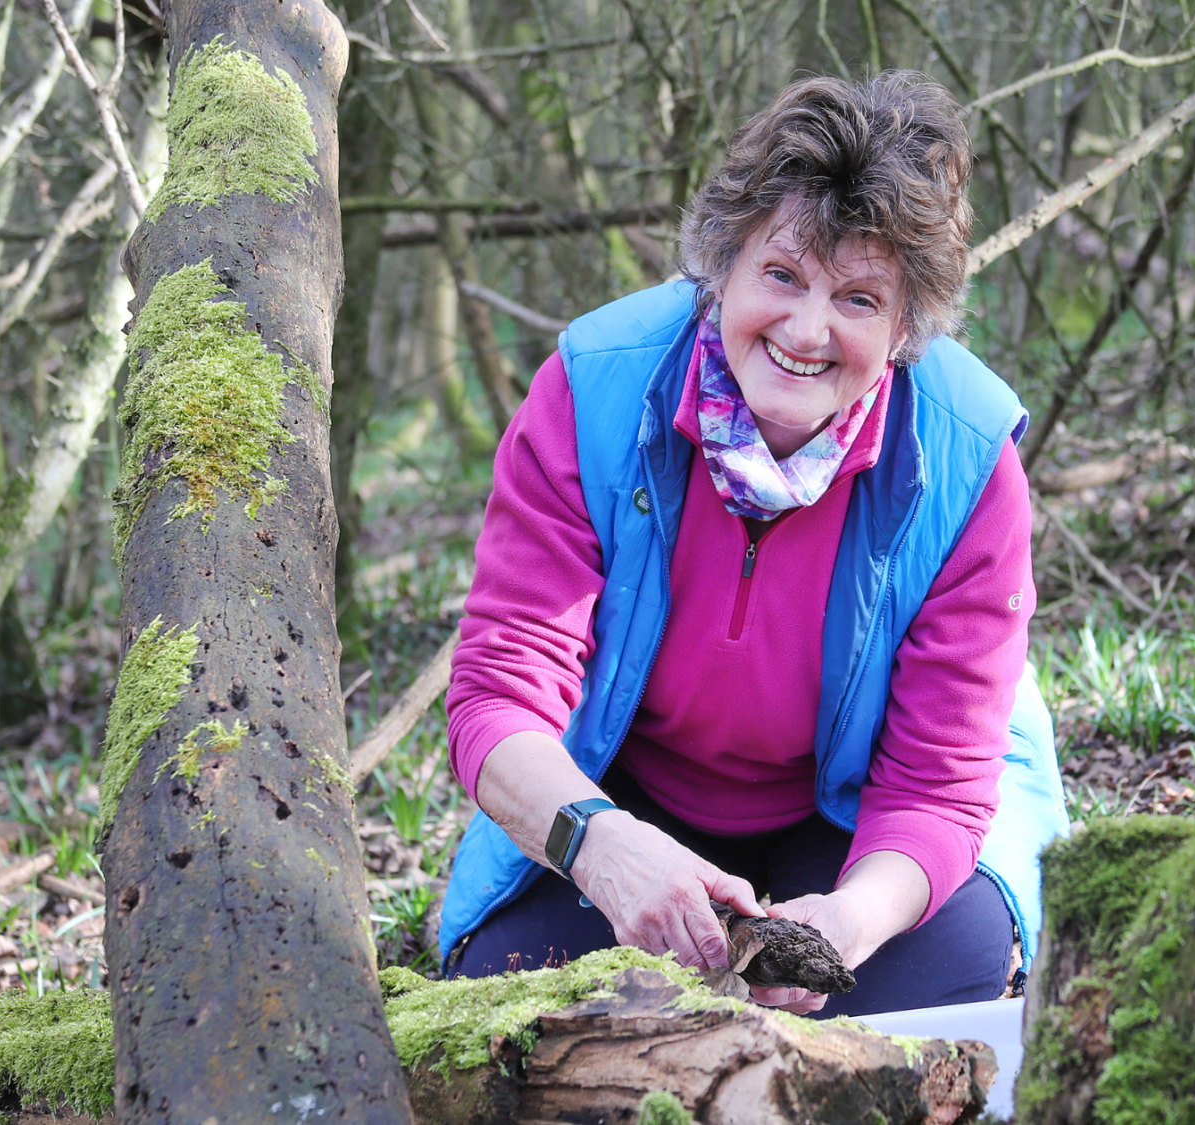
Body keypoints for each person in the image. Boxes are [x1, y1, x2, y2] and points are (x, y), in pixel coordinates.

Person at [438, 71, 1067, 1018]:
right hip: (626, 798)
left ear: (905, 329)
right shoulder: (594, 392)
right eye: (781, 275)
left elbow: (937, 787)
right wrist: (600, 845)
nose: (807, 331)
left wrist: (846, 925)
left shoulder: (970, 459)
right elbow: (499, 691)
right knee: (507, 996)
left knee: (951, 970)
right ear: (719, 268)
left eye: (858, 298)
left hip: (850, 817)